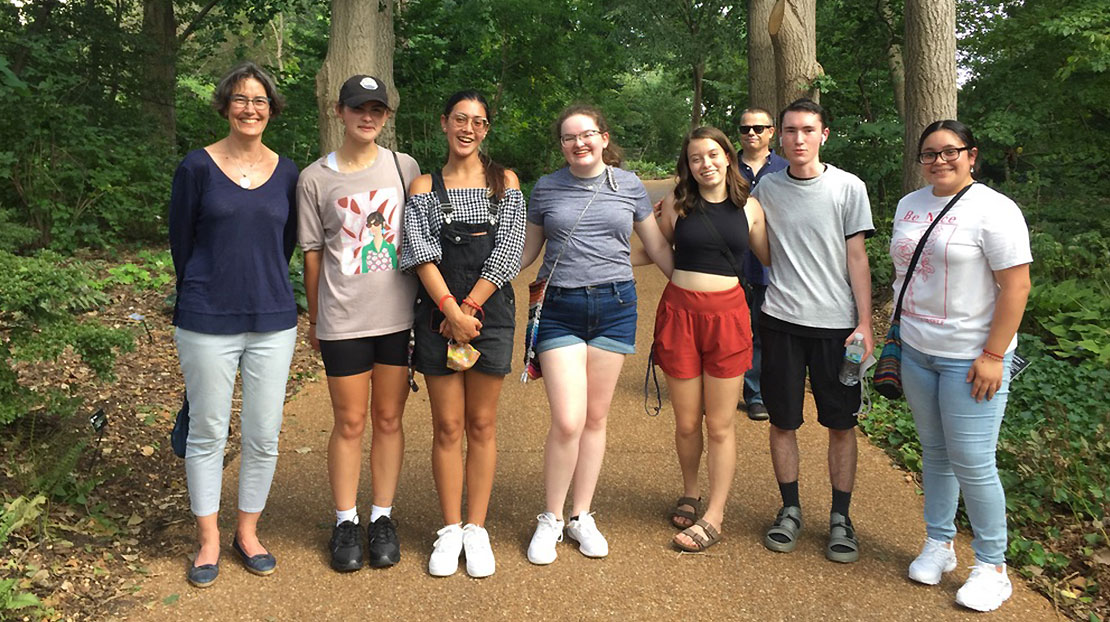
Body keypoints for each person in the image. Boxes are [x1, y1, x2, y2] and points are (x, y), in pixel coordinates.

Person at [520, 104, 673, 565]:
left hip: (615, 306)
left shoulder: (627, 186)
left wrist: (691, 287)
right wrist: (474, 280)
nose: (579, 143)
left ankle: (580, 515)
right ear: (562, 145)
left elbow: (656, 246)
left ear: (604, 138)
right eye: (569, 137)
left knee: (595, 419)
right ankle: (550, 517)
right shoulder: (546, 188)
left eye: (587, 134)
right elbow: (527, 252)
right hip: (560, 308)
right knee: (568, 418)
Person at [169, 61, 299, 587]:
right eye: (242, 100)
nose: (251, 109)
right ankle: (209, 539)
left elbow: (284, 244)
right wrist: (204, 290)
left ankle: (248, 531)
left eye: (260, 100)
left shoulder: (288, 171)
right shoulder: (196, 168)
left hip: (272, 319)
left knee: (264, 434)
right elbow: (182, 242)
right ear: (225, 106)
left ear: (271, 110)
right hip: (206, 319)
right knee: (207, 431)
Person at [894, 120, 1031, 612]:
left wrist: (994, 355)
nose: (939, 161)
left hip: (971, 357)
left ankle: (993, 566)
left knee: (973, 461)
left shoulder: (996, 210)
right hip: (916, 348)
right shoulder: (909, 205)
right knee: (934, 451)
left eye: (950, 152)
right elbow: (903, 275)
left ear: (972, 155)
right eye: (929, 153)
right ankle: (939, 543)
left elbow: (1016, 287)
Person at [297, 75, 421, 572]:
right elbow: (311, 254)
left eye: (377, 110)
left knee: (389, 419)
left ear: (386, 116)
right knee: (350, 421)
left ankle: (382, 517)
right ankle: (345, 520)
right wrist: (315, 316)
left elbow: (422, 235)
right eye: (357, 109)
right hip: (343, 319)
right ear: (338, 111)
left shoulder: (403, 166)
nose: (367, 117)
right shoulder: (315, 178)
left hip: (397, 318)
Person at [400, 90, 526, 578]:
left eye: (477, 121)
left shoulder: (505, 183)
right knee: (447, 427)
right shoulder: (422, 186)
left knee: (482, 425)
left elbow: (510, 250)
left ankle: (477, 529)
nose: (468, 128)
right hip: (437, 316)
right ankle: (449, 528)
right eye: (459, 118)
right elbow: (419, 253)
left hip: (488, 317)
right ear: (444, 123)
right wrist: (451, 312)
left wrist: (470, 308)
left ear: (487, 129)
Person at [755, 98, 874, 564]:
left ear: (824, 135)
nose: (798, 138)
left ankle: (841, 518)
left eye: (807, 130)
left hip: (837, 327)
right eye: (790, 131)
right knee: (783, 420)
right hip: (781, 320)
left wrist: (864, 323)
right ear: (778, 138)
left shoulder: (849, 188)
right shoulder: (766, 189)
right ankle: (790, 509)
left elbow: (857, 258)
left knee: (841, 425)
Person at [652, 127, 769, 551]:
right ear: (689, 165)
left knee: (719, 424)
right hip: (681, 314)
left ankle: (715, 515)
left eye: (713, 155)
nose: (706, 164)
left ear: (727, 158)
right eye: (696, 158)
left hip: (728, 317)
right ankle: (690, 490)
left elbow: (770, 257)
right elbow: (651, 247)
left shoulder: (751, 208)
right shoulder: (678, 206)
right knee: (686, 422)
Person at [735, 108, 788, 422]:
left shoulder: (786, 168)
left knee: (764, 333)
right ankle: (723, 388)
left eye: (758, 128)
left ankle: (757, 394)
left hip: (772, 265)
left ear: (772, 131)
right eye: (745, 129)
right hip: (730, 263)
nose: (751, 133)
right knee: (731, 332)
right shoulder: (725, 166)